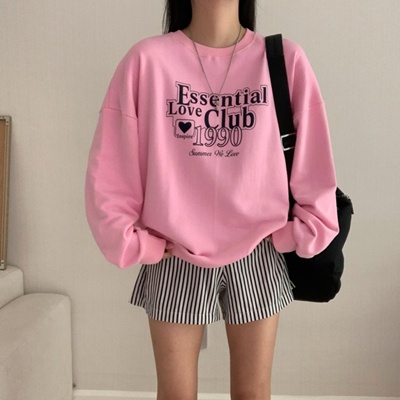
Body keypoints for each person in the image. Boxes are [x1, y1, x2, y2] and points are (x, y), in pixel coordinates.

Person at [85, 0, 339, 399]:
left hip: (259, 252)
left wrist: (296, 234)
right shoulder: (147, 61)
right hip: (174, 252)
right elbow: (112, 169)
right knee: (176, 394)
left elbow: (315, 164)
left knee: (253, 394)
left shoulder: (283, 60)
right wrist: (134, 243)